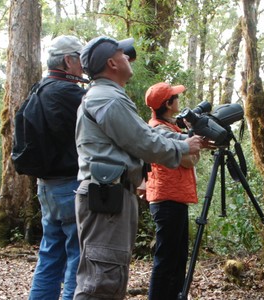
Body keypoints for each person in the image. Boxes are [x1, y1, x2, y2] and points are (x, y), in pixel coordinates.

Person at [73, 36, 207, 300]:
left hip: (112, 194)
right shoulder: (107, 99)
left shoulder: (109, 96)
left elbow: (144, 132)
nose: (128, 57)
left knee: (109, 276)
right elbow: (143, 141)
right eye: (123, 54)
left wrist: (188, 140)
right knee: (101, 281)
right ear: (112, 63)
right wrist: (183, 148)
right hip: (106, 196)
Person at [28, 35, 87, 300]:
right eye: (80, 58)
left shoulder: (39, 89)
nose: (84, 66)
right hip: (69, 184)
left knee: (50, 252)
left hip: (46, 185)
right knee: (78, 254)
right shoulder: (69, 93)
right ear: (68, 60)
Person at [143, 82, 200, 300]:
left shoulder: (170, 127)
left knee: (177, 259)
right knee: (167, 259)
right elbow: (188, 160)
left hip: (174, 197)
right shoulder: (160, 129)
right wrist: (191, 151)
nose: (178, 99)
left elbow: (191, 157)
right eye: (175, 97)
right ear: (168, 103)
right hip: (167, 199)